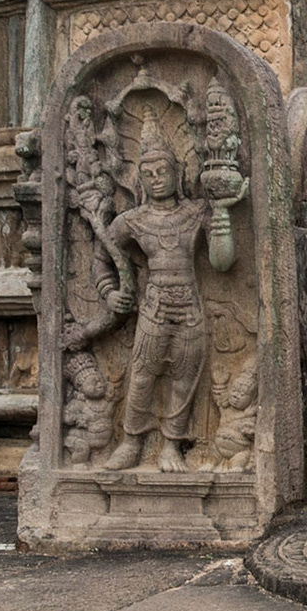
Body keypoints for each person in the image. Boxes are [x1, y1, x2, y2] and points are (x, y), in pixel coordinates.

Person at [91, 136, 247, 472]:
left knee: (183, 379)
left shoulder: (195, 213)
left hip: (189, 308)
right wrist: (111, 293)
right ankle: (132, 442)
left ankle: (171, 446)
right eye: (149, 174)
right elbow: (102, 258)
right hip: (154, 308)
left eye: (163, 170)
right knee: (143, 377)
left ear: (177, 174)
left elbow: (222, 263)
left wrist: (221, 214)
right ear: (141, 181)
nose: (157, 177)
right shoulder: (132, 221)